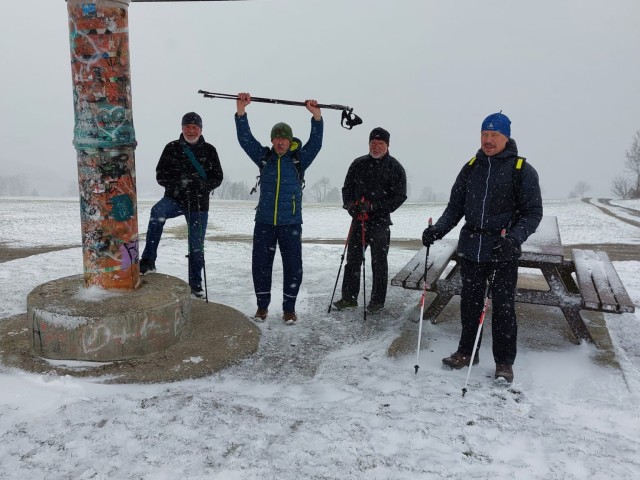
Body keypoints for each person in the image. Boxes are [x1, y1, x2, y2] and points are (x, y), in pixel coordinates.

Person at [422, 112, 542, 383]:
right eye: (484, 135)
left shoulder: (521, 170)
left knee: (503, 308)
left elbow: (533, 213)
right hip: (472, 247)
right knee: (470, 304)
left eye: (494, 135)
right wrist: (437, 229)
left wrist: (513, 239)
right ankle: (467, 352)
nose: (488, 140)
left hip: (503, 250)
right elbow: (455, 207)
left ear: (506, 137)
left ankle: (504, 363)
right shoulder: (471, 167)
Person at [235, 92, 323, 325]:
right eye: (277, 138)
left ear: (290, 140)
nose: (280, 142)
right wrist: (241, 112)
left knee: (293, 267)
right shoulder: (264, 157)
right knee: (261, 267)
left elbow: (316, 144)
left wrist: (316, 117)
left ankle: (289, 309)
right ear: (272, 140)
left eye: (284, 139)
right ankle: (262, 307)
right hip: (264, 221)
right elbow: (246, 140)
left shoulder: (299, 159)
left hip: (290, 222)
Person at [139, 112, 224, 299]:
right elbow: (160, 175)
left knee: (196, 245)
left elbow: (217, 177)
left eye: (195, 127)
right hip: (175, 199)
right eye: (187, 126)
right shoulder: (171, 148)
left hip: (198, 204)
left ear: (201, 129)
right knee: (157, 212)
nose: (191, 130)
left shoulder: (210, 150)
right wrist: (180, 184)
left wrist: (202, 186)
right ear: (182, 127)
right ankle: (148, 260)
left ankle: (195, 284)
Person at [332, 127, 407, 314]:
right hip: (358, 220)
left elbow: (399, 196)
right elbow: (347, 189)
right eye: (373, 143)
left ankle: (376, 302)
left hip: (380, 223)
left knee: (379, 262)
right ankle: (349, 298)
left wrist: (374, 207)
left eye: (381, 143)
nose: (376, 147)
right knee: (353, 260)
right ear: (368, 144)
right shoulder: (358, 164)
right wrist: (351, 206)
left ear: (387, 145)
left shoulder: (395, 167)